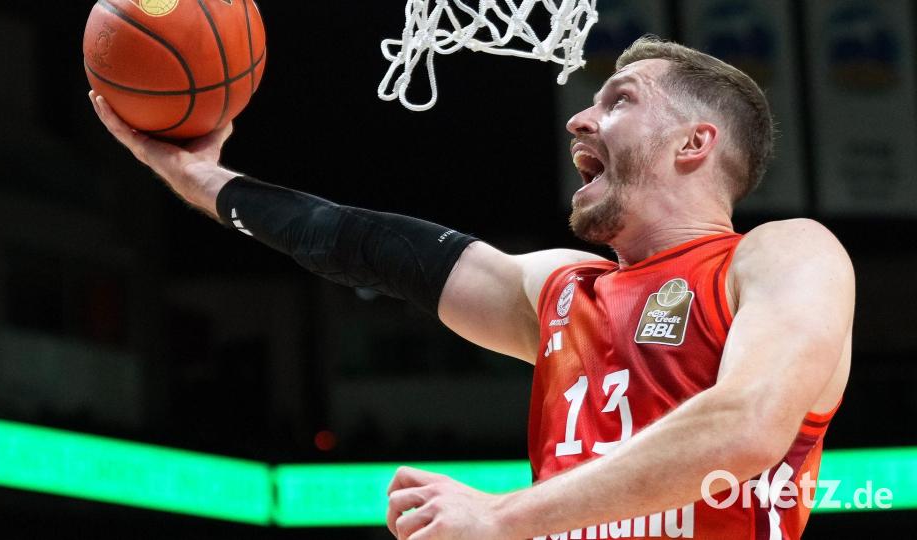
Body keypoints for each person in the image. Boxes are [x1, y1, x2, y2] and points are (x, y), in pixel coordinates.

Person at [89, 36, 853, 540]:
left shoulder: (782, 256)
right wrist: (201, 179)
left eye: (618, 100)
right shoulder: (561, 290)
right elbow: (370, 245)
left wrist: (500, 517)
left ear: (696, 143)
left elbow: (744, 429)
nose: (580, 119)